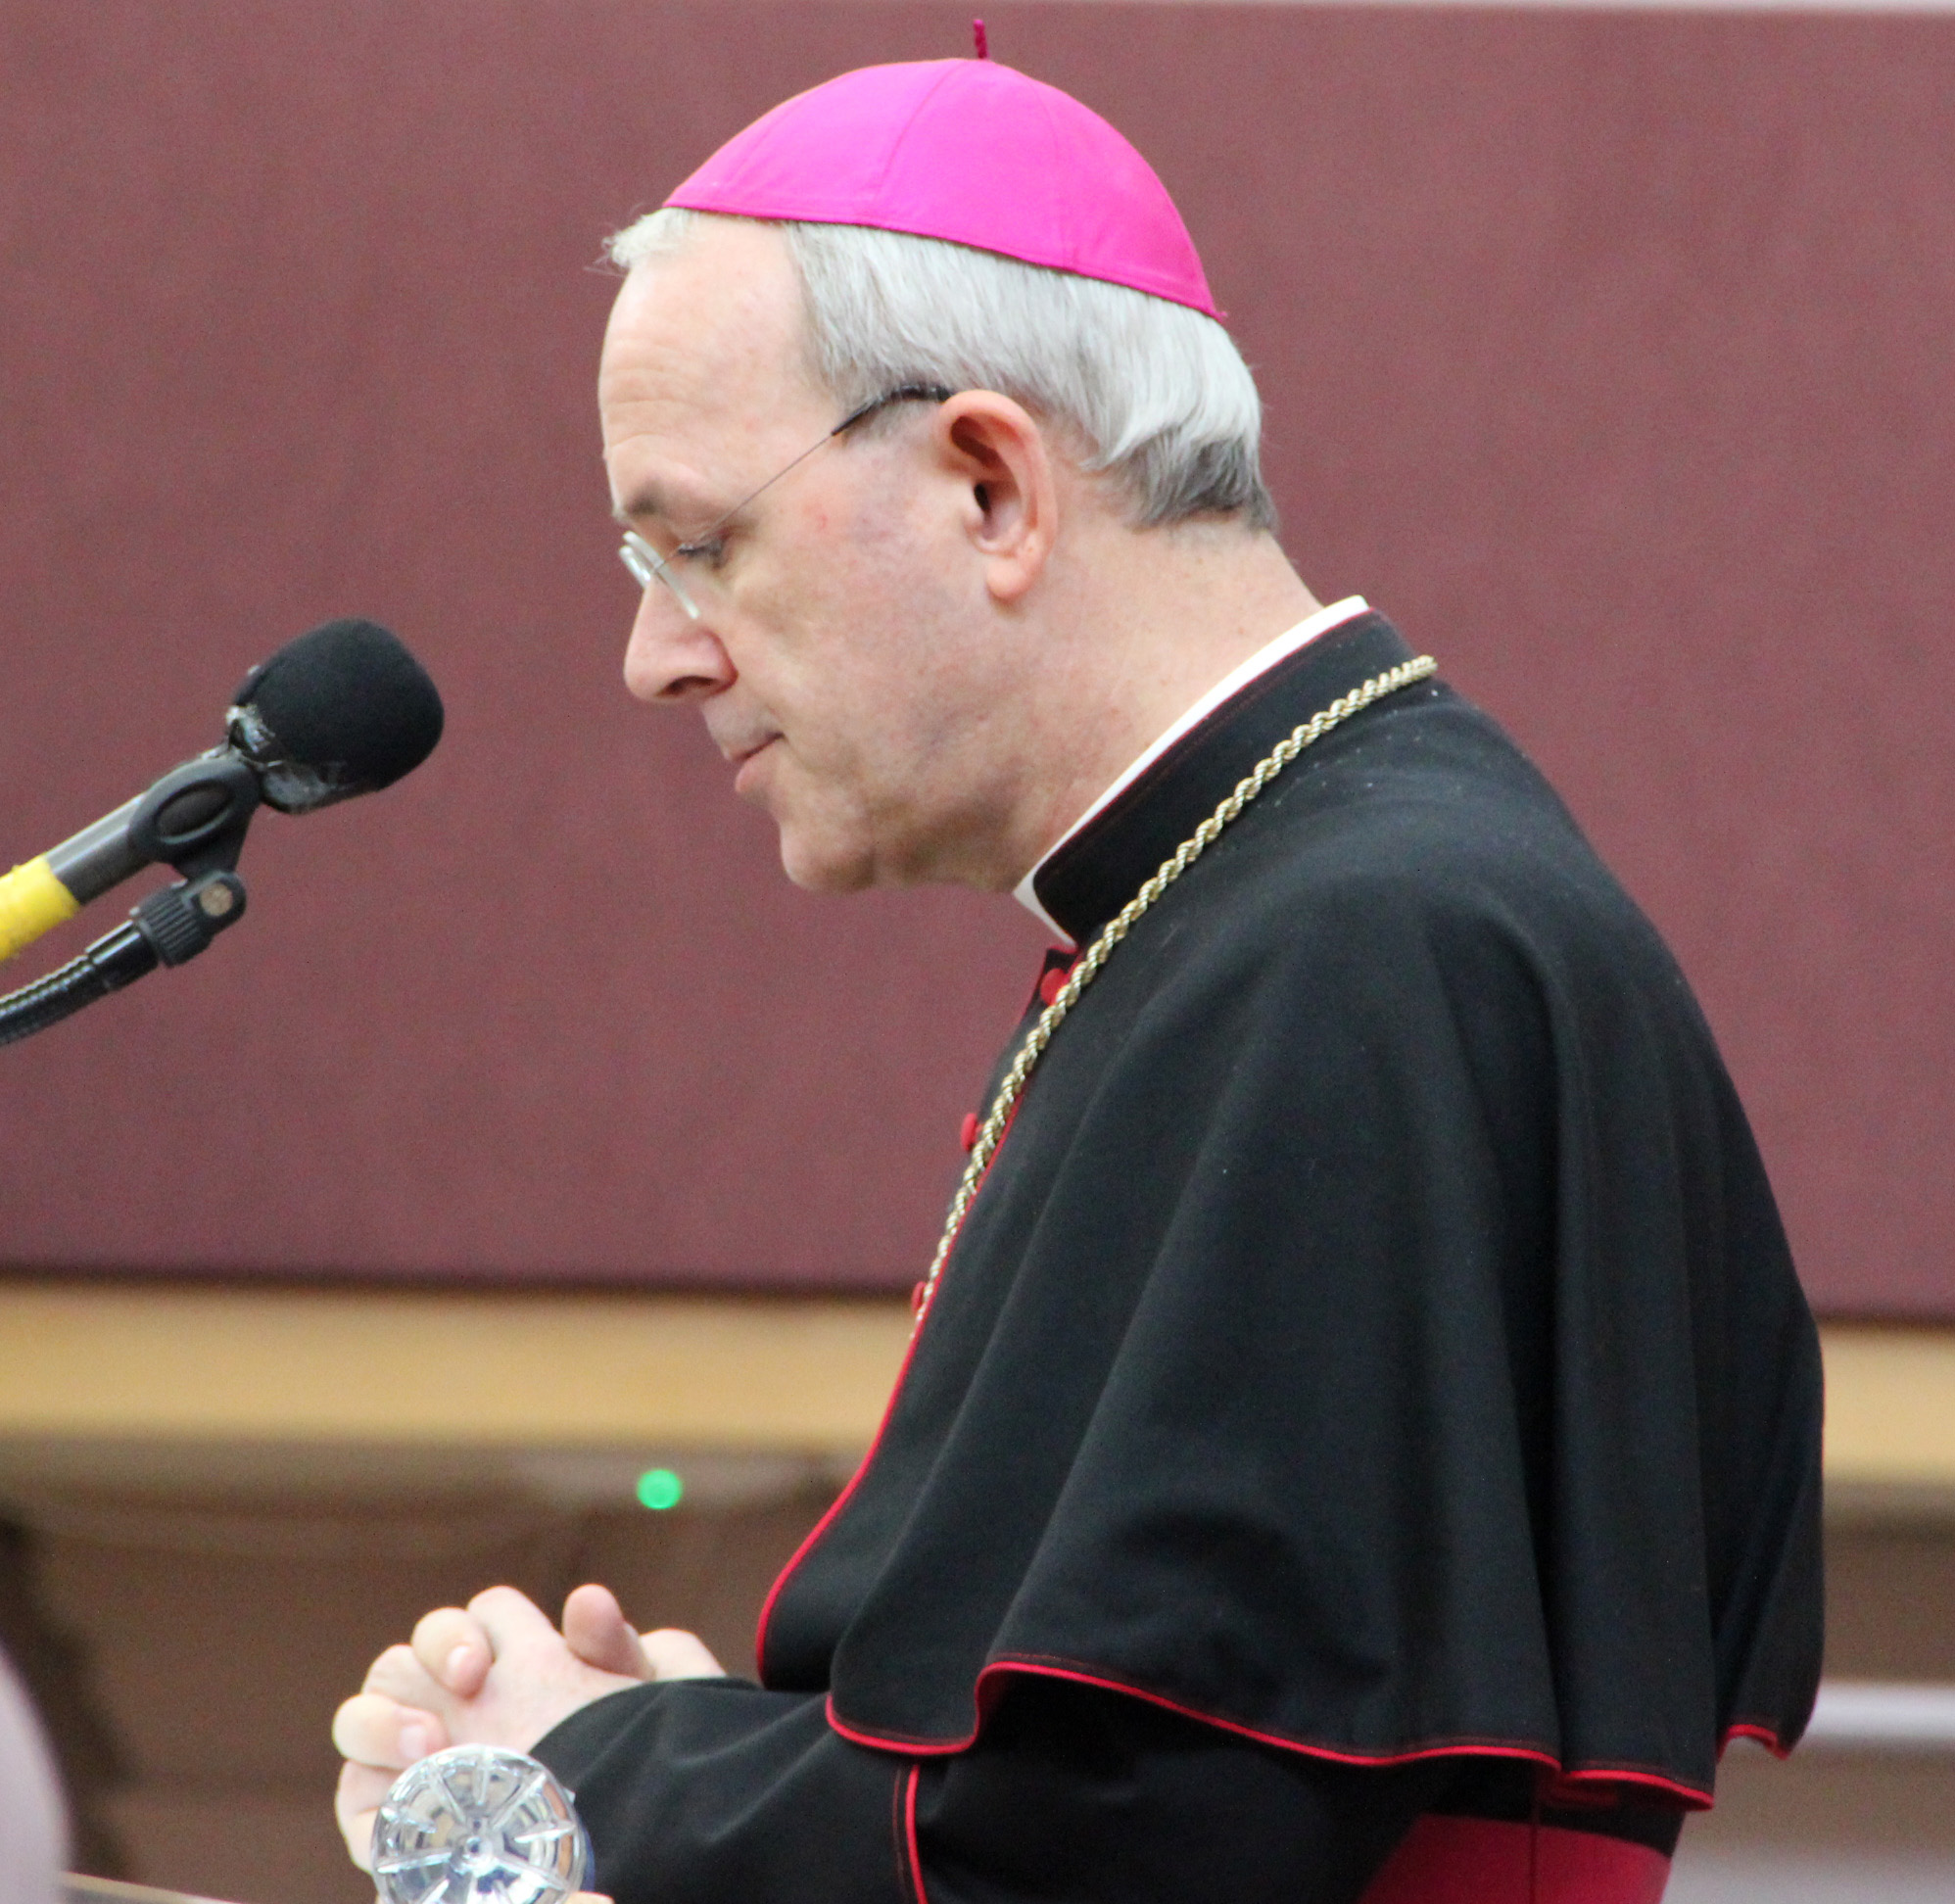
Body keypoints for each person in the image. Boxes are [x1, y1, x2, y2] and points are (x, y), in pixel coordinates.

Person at [332, 56, 1822, 1904]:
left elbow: (1130, 1841)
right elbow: (1089, 1769)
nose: (658, 657)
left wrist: (591, 1771)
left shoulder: (1360, 952)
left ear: (988, 485)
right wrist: (720, 1756)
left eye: (700, 545)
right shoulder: (1279, 908)